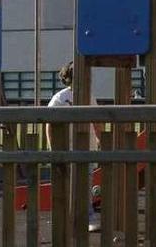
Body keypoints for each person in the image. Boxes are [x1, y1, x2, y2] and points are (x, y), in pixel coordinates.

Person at [45, 61, 103, 233]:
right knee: (67, 184)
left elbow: (96, 121)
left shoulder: (88, 97)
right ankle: (72, 216)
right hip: (67, 149)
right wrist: (51, 146)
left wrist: (100, 139)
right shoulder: (60, 98)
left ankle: (87, 216)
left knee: (85, 183)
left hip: (87, 147)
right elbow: (50, 123)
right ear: (70, 79)